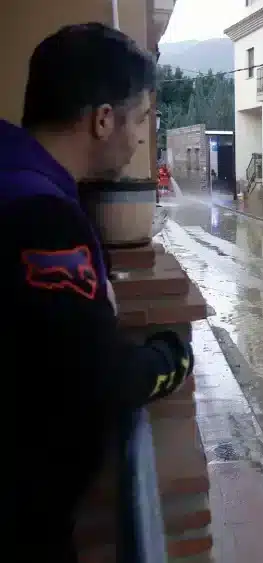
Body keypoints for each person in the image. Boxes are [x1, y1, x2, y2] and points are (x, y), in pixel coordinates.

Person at [0, 24, 193, 562]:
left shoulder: (16, 173)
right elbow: (100, 378)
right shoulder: (39, 216)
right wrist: (171, 356)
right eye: (142, 118)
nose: (141, 137)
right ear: (103, 120)